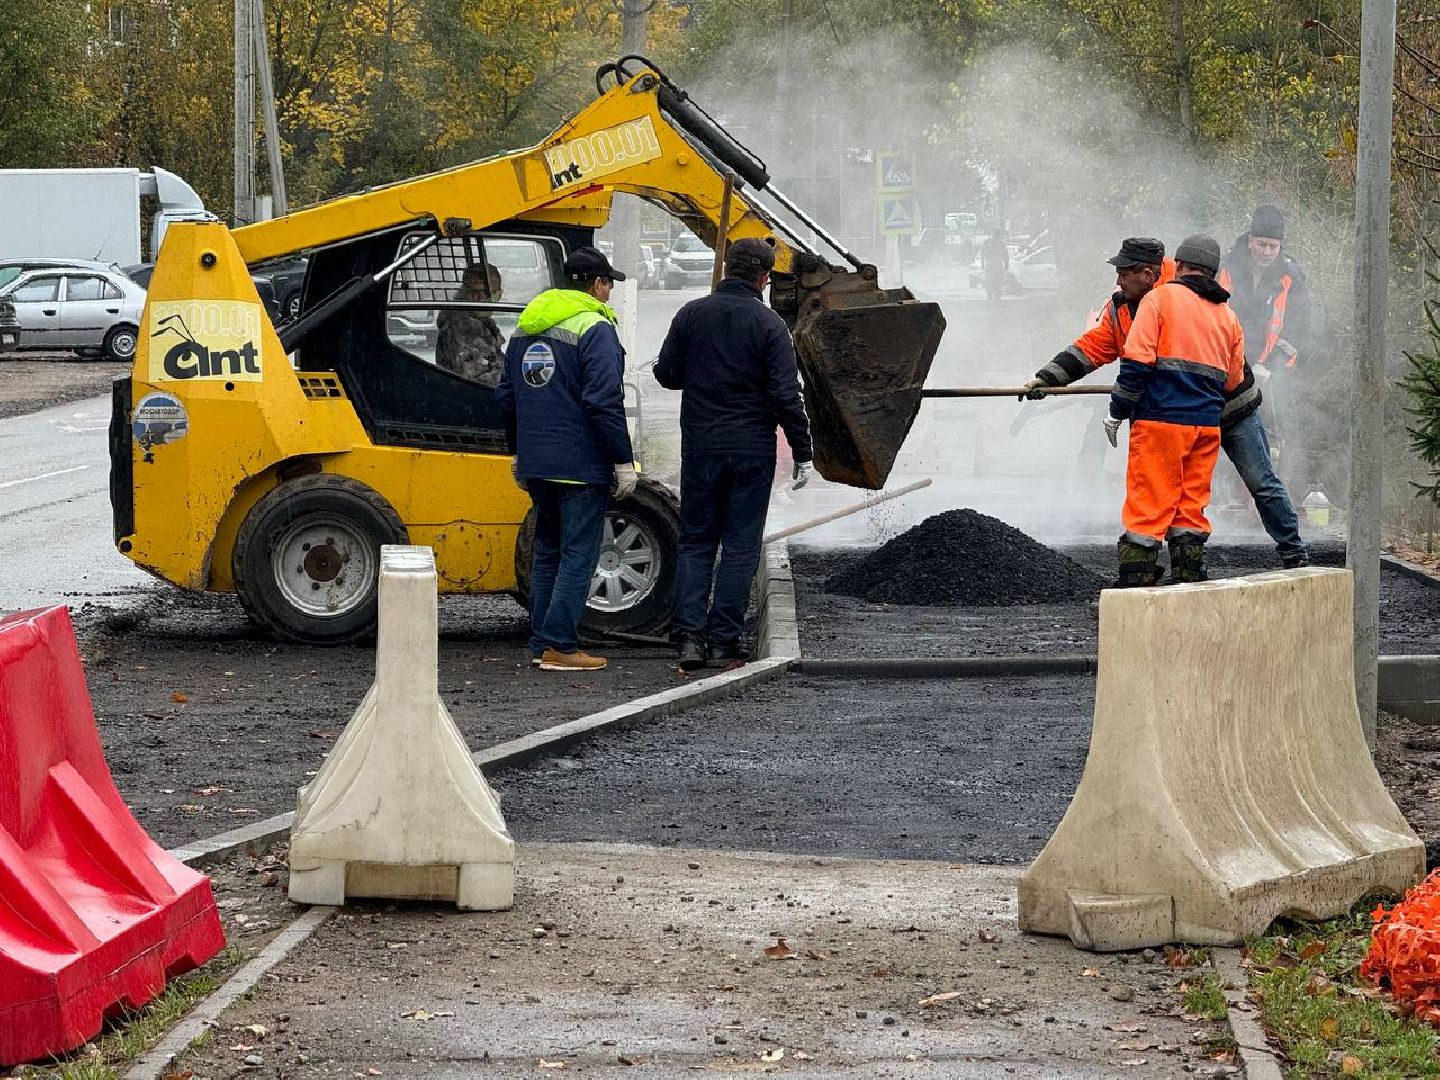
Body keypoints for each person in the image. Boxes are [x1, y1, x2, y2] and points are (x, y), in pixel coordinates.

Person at [1021, 236, 1308, 569]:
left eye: (1123, 272)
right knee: (1185, 493)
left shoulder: (1184, 299)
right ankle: (1185, 565)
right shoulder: (1124, 309)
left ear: (1146, 273)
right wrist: (1048, 376)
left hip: (1230, 407)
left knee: (1260, 482)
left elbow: (1162, 364)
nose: (1117, 281)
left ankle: (1294, 552)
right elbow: (1090, 349)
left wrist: (1121, 408)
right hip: (1190, 413)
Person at [653, 237, 813, 671]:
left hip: (702, 448)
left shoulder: (690, 315)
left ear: (725, 270)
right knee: (740, 546)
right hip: (751, 452)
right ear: (763, 277)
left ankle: (689, 639)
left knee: (697, 543)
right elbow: (785, 393)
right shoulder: (770, 325)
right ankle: (724, 641)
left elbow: (666, 375)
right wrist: (803, 451)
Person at [495, 246, 638, 672]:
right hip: (580, 464)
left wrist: (517, 451)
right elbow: (602, 400)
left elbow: (506, 396)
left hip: (537, 463)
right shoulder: (594, 327)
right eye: (608, 284)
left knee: (548, 552)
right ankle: (560, 646)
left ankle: (541, 643)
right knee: (578, 554)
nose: (609, 293)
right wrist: (622, 460)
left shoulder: (526, 328)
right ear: (596, 284)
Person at [1105, 235, 1246, 586]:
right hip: (1206, 428)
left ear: (1179, 266)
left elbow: (1136, 363)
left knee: (1148, 505)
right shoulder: (1228, 316)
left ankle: (1135, 589)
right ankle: (1187, 583)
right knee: (1189, 508)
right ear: (1213, 273)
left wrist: (1116, 411)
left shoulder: (1159, 299)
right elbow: (1233, 380)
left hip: (1160, 423)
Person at [436, 263, 506, 388]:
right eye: (476, 292)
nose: (482, 298)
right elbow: (474, 378)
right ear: (464, 292)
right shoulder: (461, 327)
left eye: (490, 292)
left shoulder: (482, 322)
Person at [979, 230, 1009, 300]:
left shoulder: (998, 244)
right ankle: (992, 294)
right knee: (992, 280)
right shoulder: (990, 243)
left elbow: (1005, 255)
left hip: (994, 264)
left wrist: (1006, 264)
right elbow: (982, 254)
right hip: (993, 264)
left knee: (994, 281)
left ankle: (994, 294)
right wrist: (1006, 264)